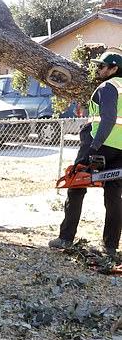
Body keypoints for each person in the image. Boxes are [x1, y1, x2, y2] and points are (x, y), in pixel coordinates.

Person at [49, 48, 122, 255]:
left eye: (102, 66)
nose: (98, 70)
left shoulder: (109, 86)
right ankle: (110, 247)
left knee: (76, 184)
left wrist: (94, 146)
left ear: (113, 68)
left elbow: (108, 118)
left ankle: (65, 238)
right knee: (114, 195)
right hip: (120, 149)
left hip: (100, 144)